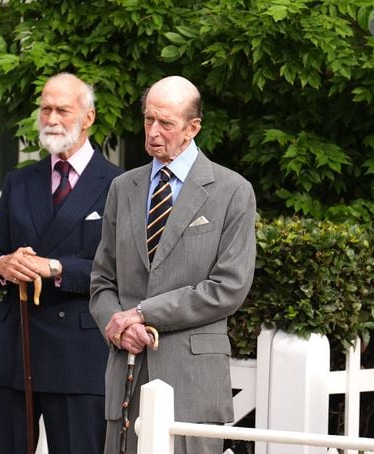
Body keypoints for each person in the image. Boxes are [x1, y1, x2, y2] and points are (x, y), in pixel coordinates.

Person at [89, 75, 257, 454]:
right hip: (128, 376)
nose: (153, 132)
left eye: (166, 123)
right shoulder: (123, 188)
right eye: (149, 119)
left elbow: (228, 288)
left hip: (193, 386)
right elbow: (102, 281)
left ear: (193, 127)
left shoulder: (233, 191)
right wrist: (117, 328)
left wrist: (141, 313)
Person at [0, 72, 123, 454]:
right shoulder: (20, 181)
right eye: (45, 109)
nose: (51, 118)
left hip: (79, 355)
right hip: (17, 349)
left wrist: (56, 268)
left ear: (88, 118)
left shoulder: (119, 185)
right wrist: (5, 265)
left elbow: (123, 273)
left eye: (62, 109)